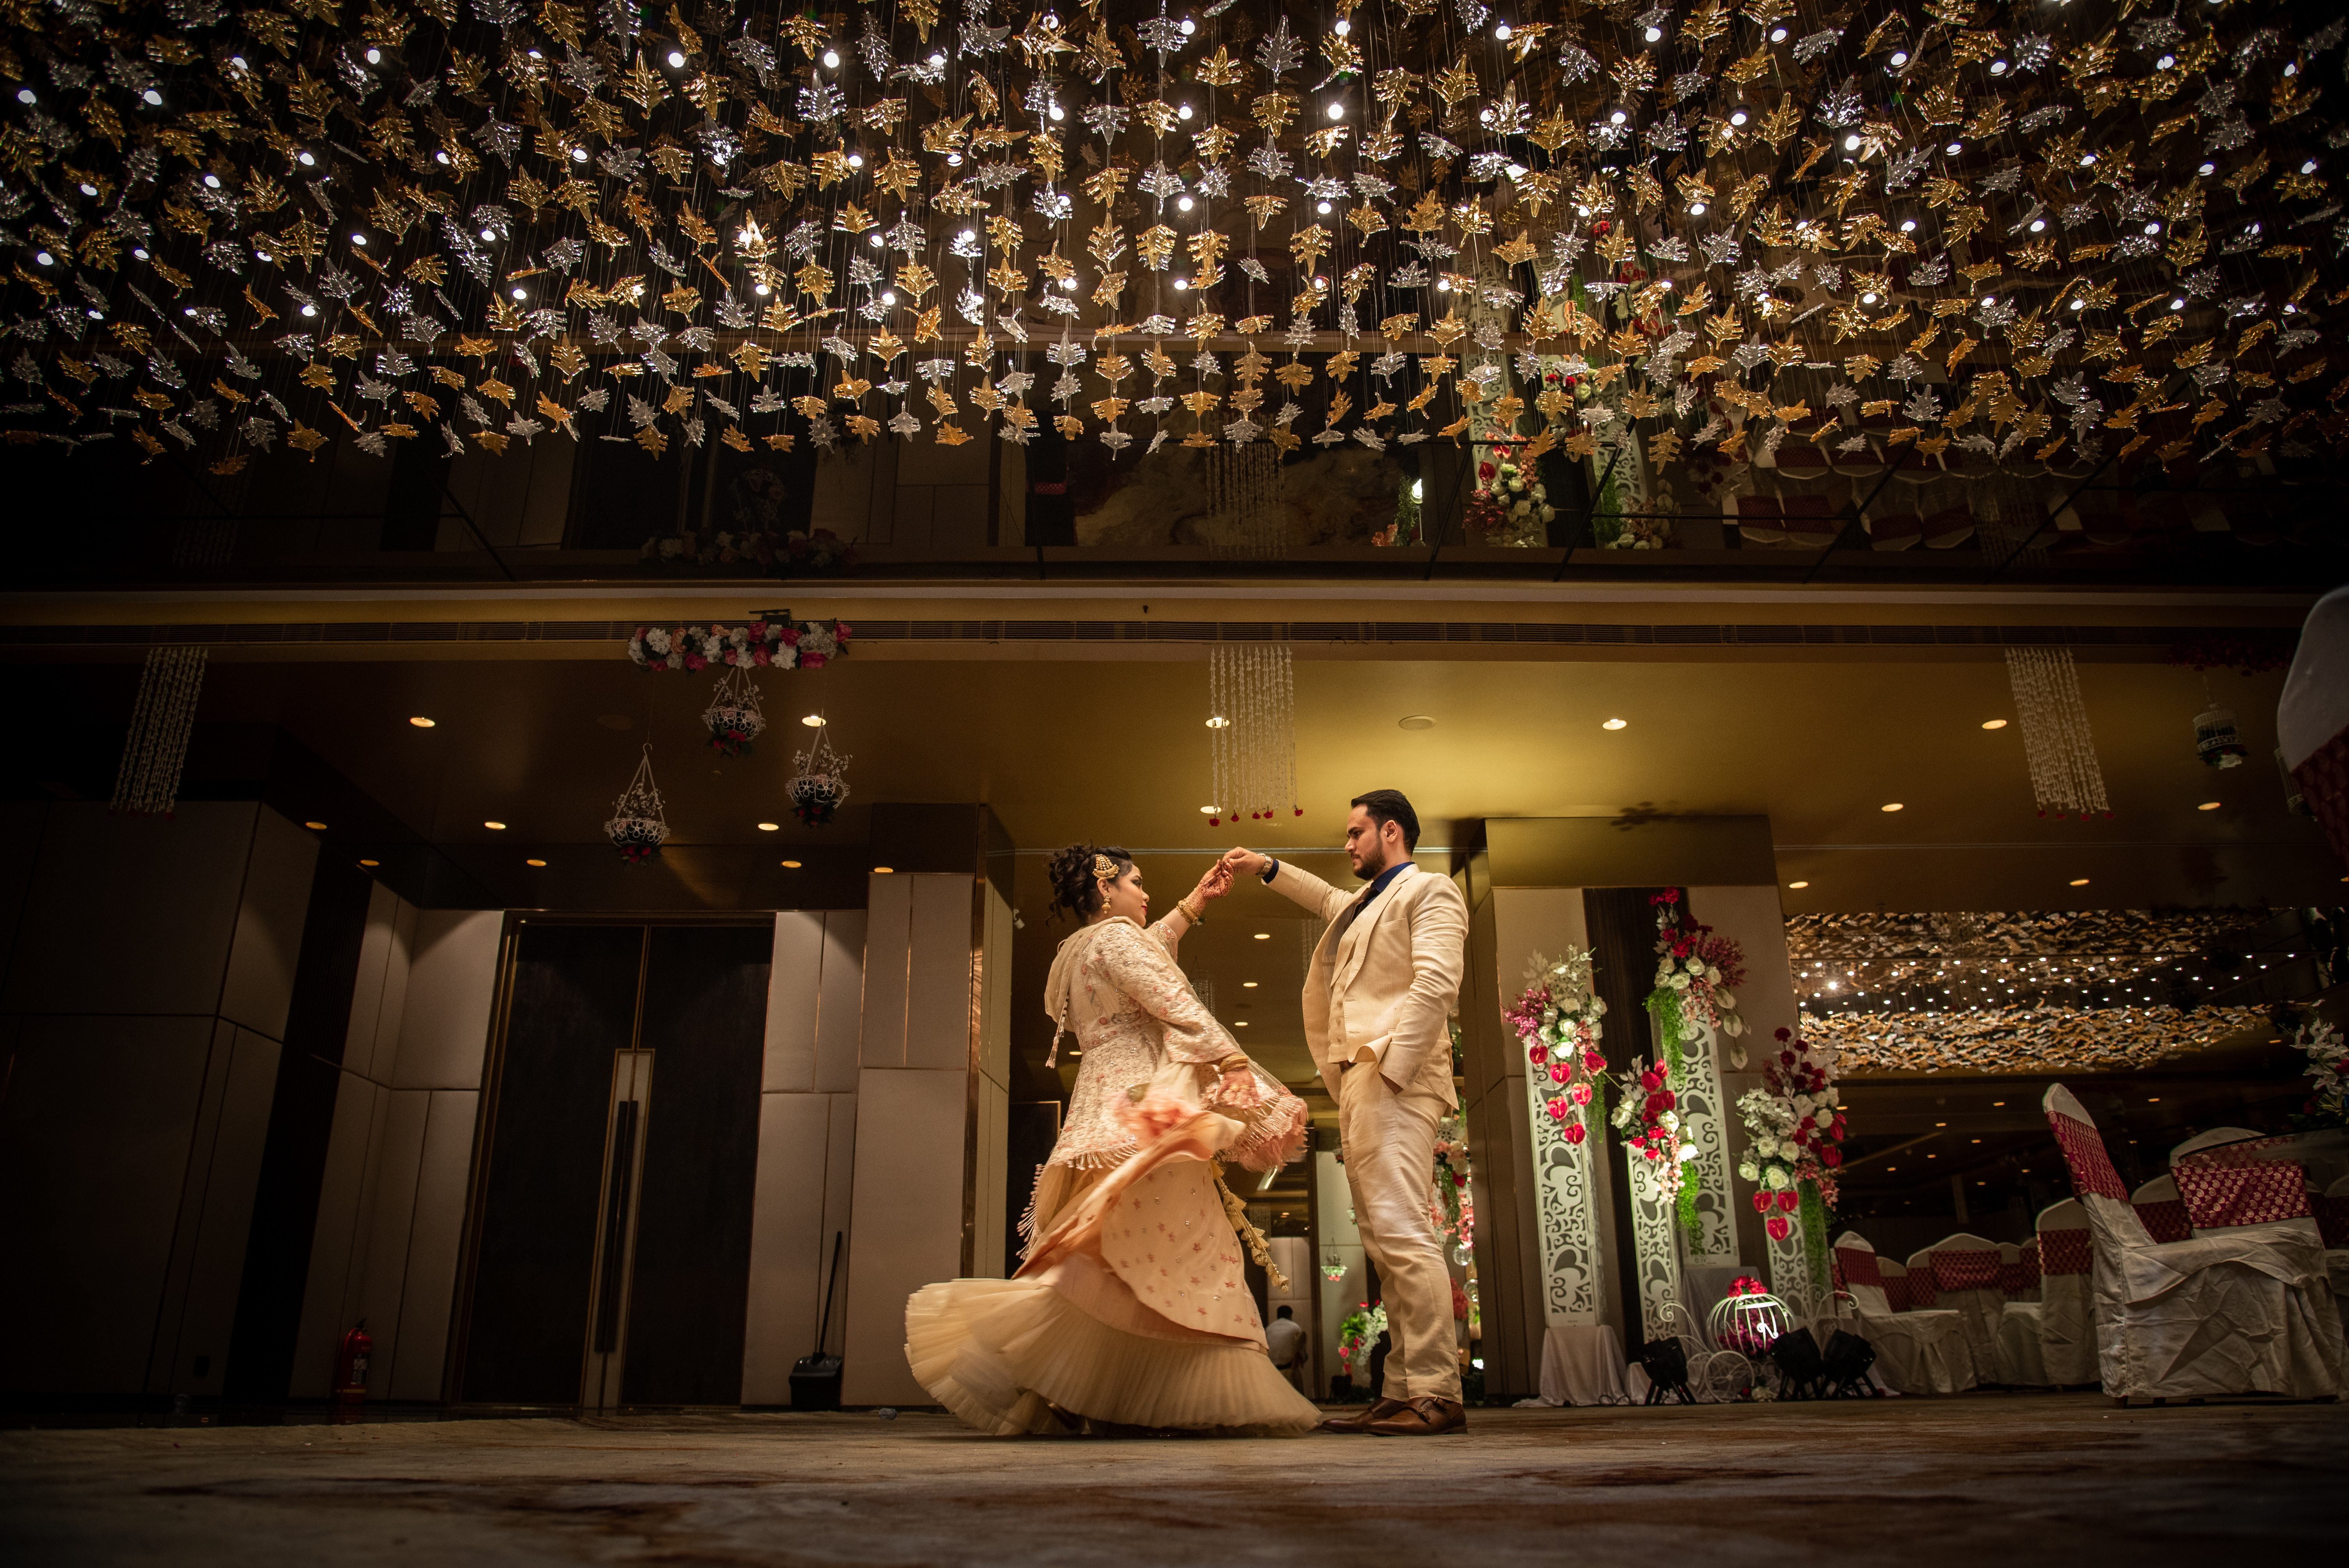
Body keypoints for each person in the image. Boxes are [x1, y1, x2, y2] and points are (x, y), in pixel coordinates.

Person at [905, 845, 1318, 1436]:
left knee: (1112, 1242)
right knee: (1177, 1240)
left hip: (1101, 1112)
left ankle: (1082, 1384)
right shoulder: (1118, 940)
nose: (1146, 894)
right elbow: (1169, 992)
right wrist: (1229, 1058)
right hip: (1144, 1102)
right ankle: (1137, 1387)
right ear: (1105, 888)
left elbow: (1146, 956)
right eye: (1137, 882)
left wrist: (1194, 903)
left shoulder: (1077, 950)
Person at [1223, 789, 1470, 1437]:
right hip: (1361, 1080)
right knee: (1381, 1240)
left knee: (1403, 1231)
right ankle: (1402, 1389)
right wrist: (1264, 866)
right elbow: (1323, 897)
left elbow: (1437, 984)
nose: (1347, 843)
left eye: (1356, 832)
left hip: (1396, 1075)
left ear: (1391, 832)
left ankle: (1437, 1390)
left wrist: (1392, 1069)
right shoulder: (1363, 903)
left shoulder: (1431, 890)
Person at [1265, 1304, 1307, 1393]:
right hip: (1289, 1370)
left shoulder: (1269, 1329)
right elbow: (1301, 1351)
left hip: (1273, 1370)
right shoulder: (1295, 1327)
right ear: (1290, 1316)